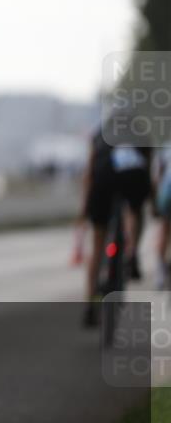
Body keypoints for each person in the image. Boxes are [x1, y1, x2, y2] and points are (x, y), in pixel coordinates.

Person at [80, 123, 153, 326]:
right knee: (134, 210)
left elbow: (89, 173)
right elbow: (148, 174)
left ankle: (89, 303)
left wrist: (84, 210)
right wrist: (154, 206)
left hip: (102, 181)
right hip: (133, 180)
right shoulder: (141, 133)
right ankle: (131, 253)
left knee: (97, 246)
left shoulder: (100, 134)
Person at [153, 145, 171, 290]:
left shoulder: (166, 148)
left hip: (166, 193)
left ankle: (159, 272)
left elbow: (157, 177)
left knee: (164, 231)